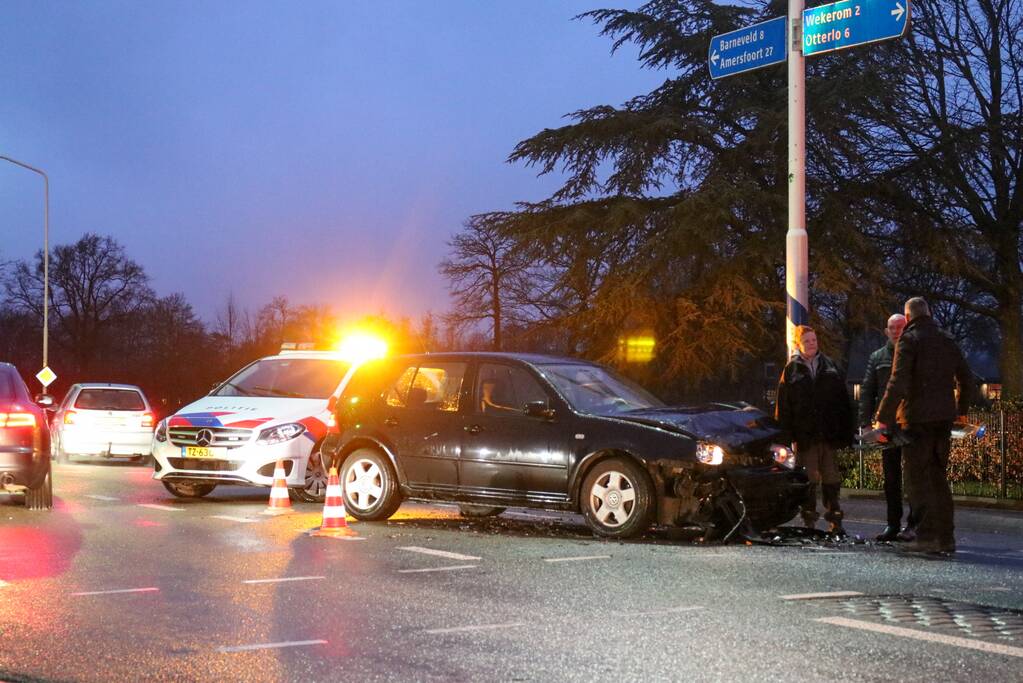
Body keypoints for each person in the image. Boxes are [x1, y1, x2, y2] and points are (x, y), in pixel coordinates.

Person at [874, 297, 972, 555]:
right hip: (943, 420)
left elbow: (898, 381)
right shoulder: (947, 339)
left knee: (917, 480)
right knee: (938, 478)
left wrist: (883, 415)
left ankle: (927, 536)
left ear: (907, 318)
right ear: (928, 312)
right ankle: (946, 537)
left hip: (916, 419)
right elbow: (966, 378)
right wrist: (960, 411)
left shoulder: (909, 339)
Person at [775, 325, 855, 535]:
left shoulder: (829, 366)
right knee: (809, 478)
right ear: (798, 344)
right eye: (807, 341)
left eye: (814, 340)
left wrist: (846, 429)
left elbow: (842, 401)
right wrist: (786, 436)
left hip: (828, 431)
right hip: (806, 433)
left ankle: (835, 519)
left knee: (831, 477)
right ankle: (808, 518)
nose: (812, 344)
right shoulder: (791, 370)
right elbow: (784, 406)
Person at [859, 313, 917, 542]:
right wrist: (865, 423)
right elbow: (867, 390)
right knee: (891, 478)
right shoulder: (878, 357)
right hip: (887, 426)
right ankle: (893, 524)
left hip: (910, 423)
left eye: (899, 327)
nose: (896, 331)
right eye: (892, 327)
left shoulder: (914, 354)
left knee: (912, 477)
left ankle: (912, 524)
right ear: (886, 331)